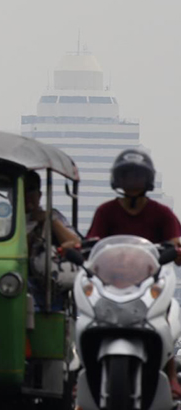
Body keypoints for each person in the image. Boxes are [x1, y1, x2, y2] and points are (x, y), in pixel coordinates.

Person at [86, 148, 181, 399]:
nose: (132, 182)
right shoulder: (105, 211)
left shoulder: (162, 213)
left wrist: (176, 248)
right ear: (117, 179)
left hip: (149, 283)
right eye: (126, 176)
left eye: (137, 176)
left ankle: (170, 375)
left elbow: (175, 241)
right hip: (110, 283)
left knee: (166, 319)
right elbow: (92, 244)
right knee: (86, 317)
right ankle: (83, 372)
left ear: (147, 180)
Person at [24, 171, 80, 311]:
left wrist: (49, 220)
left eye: (31, 189)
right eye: (21, 190)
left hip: (50, 288)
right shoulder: (9, 225)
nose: (26, 195)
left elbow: (75, 243)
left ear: (40, 195)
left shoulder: (53, 216)